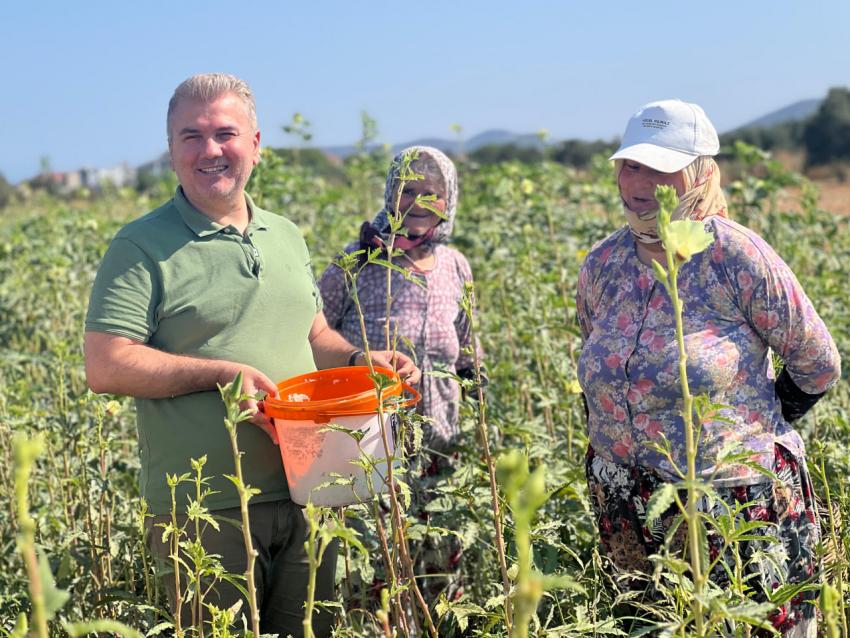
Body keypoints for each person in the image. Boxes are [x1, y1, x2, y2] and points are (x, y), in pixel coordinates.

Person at [84, 73, 418, 637]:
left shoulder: (284, 234)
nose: (210, 150)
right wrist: (221, 373)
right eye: (191, 136)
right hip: (204, 509)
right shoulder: (140, 246)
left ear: (256, 146)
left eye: (225, 133)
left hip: (312, 486)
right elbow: (106, 363)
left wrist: (363, 358)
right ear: (171, 152)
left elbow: (312, 333)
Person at [576, 99, 841, 636]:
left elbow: (818, 362)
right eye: (631, 165)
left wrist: (757, 425)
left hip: (732, 508)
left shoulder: (735, 255)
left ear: (697, 173)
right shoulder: (603, 266)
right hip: (629, 511)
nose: (641, 181)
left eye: (659, 166)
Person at [318, 146, 481, 601]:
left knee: (438, 559)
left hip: (441, 444)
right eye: (407, 189)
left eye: (431, 193)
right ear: (390, 194)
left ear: (449, 201)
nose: (417, 202)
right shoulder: (357, 261)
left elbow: (468, 350)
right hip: (370, 441)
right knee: (377, 564)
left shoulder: (455, 266)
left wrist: (477, 413)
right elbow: (312, 334)